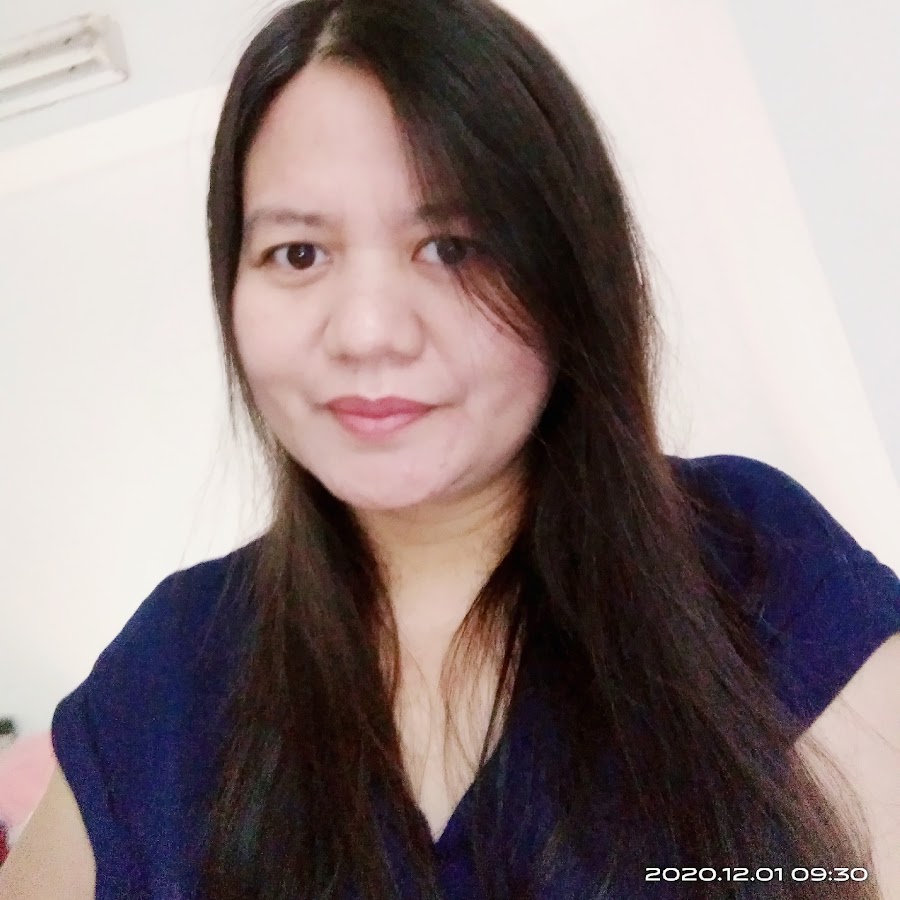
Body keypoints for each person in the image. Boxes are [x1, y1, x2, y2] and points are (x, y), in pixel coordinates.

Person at [2, 0, 899, 897]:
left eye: (452, 247)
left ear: (569, 274)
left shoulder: (749, 560)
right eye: (299, 253)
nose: (367, 331)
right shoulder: (166, 674)